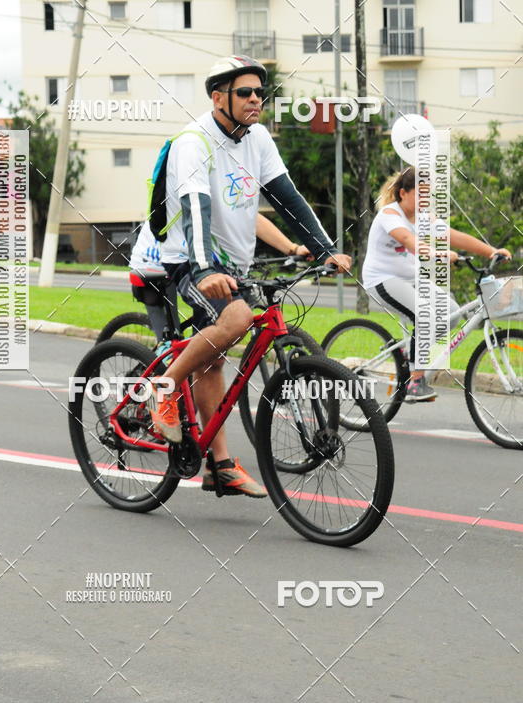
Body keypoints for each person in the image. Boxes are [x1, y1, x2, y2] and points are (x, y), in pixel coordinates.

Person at [148, 54, 352, 497]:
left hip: (233, 262)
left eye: (261, 92)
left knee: (215, 357)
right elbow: (198, 213)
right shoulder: (193, 142)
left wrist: (324, 248)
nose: (256, 99)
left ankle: (219, 466)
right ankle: (165, 387)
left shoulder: (257, 139)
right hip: (189, 259)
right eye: (245, 92)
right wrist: (203, 271)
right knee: (236, 321)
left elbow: (288, 198)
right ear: (218, 96)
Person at [362, 167, 511, 401]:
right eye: (420, 194)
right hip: (383, 280)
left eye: (428, 194)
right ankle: (415, 382)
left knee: (451, 315)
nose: (425, 200)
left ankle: (409, 353)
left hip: (412, 280)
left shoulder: (423, 217)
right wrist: (437, 254)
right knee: (425, 316)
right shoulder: (389, 215)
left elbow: (453, 235)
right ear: (403, 193)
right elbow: (407, 240)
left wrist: (491, 251)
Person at [128, 216, 313, 343]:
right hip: (155, 263)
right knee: (170, 342)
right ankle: (167, 385)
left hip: (197, 262)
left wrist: (293, 248)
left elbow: (251, 218)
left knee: (229, 318)